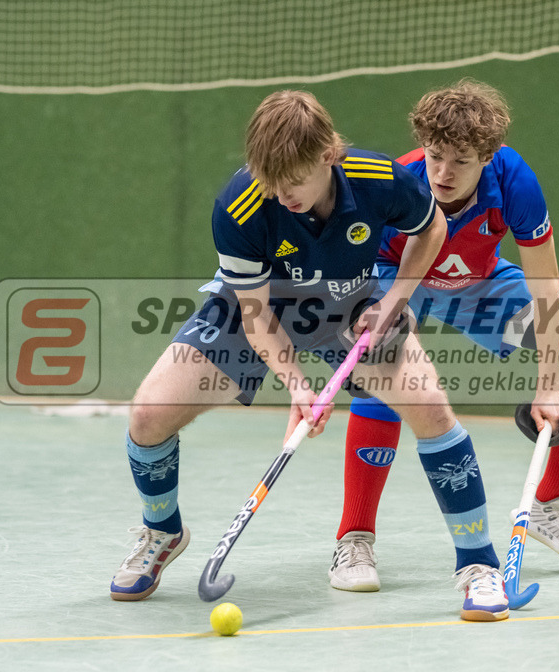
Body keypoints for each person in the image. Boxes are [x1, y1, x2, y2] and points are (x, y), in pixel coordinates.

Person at [109, 90, 510, 621]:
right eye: (271, 182)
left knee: (432, 410)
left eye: (293, 181)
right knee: (148, 415)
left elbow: (431, 225)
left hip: (352, 306)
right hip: (261, 309)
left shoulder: (377, 178)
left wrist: (395, 299)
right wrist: (297, 384)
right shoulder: (242, 205)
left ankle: (479, 566)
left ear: (328, 155)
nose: (282, 195)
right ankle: (162, 531)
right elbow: (256, 317)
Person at [327, 79, 559, 592]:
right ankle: (354, 539)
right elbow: (355, 264)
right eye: (435, 155)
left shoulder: (515, 182)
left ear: (488, 155)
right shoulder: (401, 180)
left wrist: (547, 384)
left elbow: (545, 287)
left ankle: (551, 507)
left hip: (479, 289)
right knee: (384, 371)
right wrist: (379, 309)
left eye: (460, 161)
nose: (443, 172)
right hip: (399, 278)